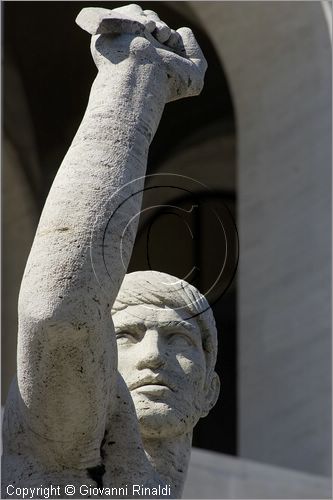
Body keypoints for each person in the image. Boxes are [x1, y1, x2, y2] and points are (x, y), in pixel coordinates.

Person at [2, 5, 219, 498]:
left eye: (180, 341)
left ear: (210, 390)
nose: (152, 358)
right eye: (126, 335)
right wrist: (135, 84)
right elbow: (57, 313)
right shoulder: (62, 454)